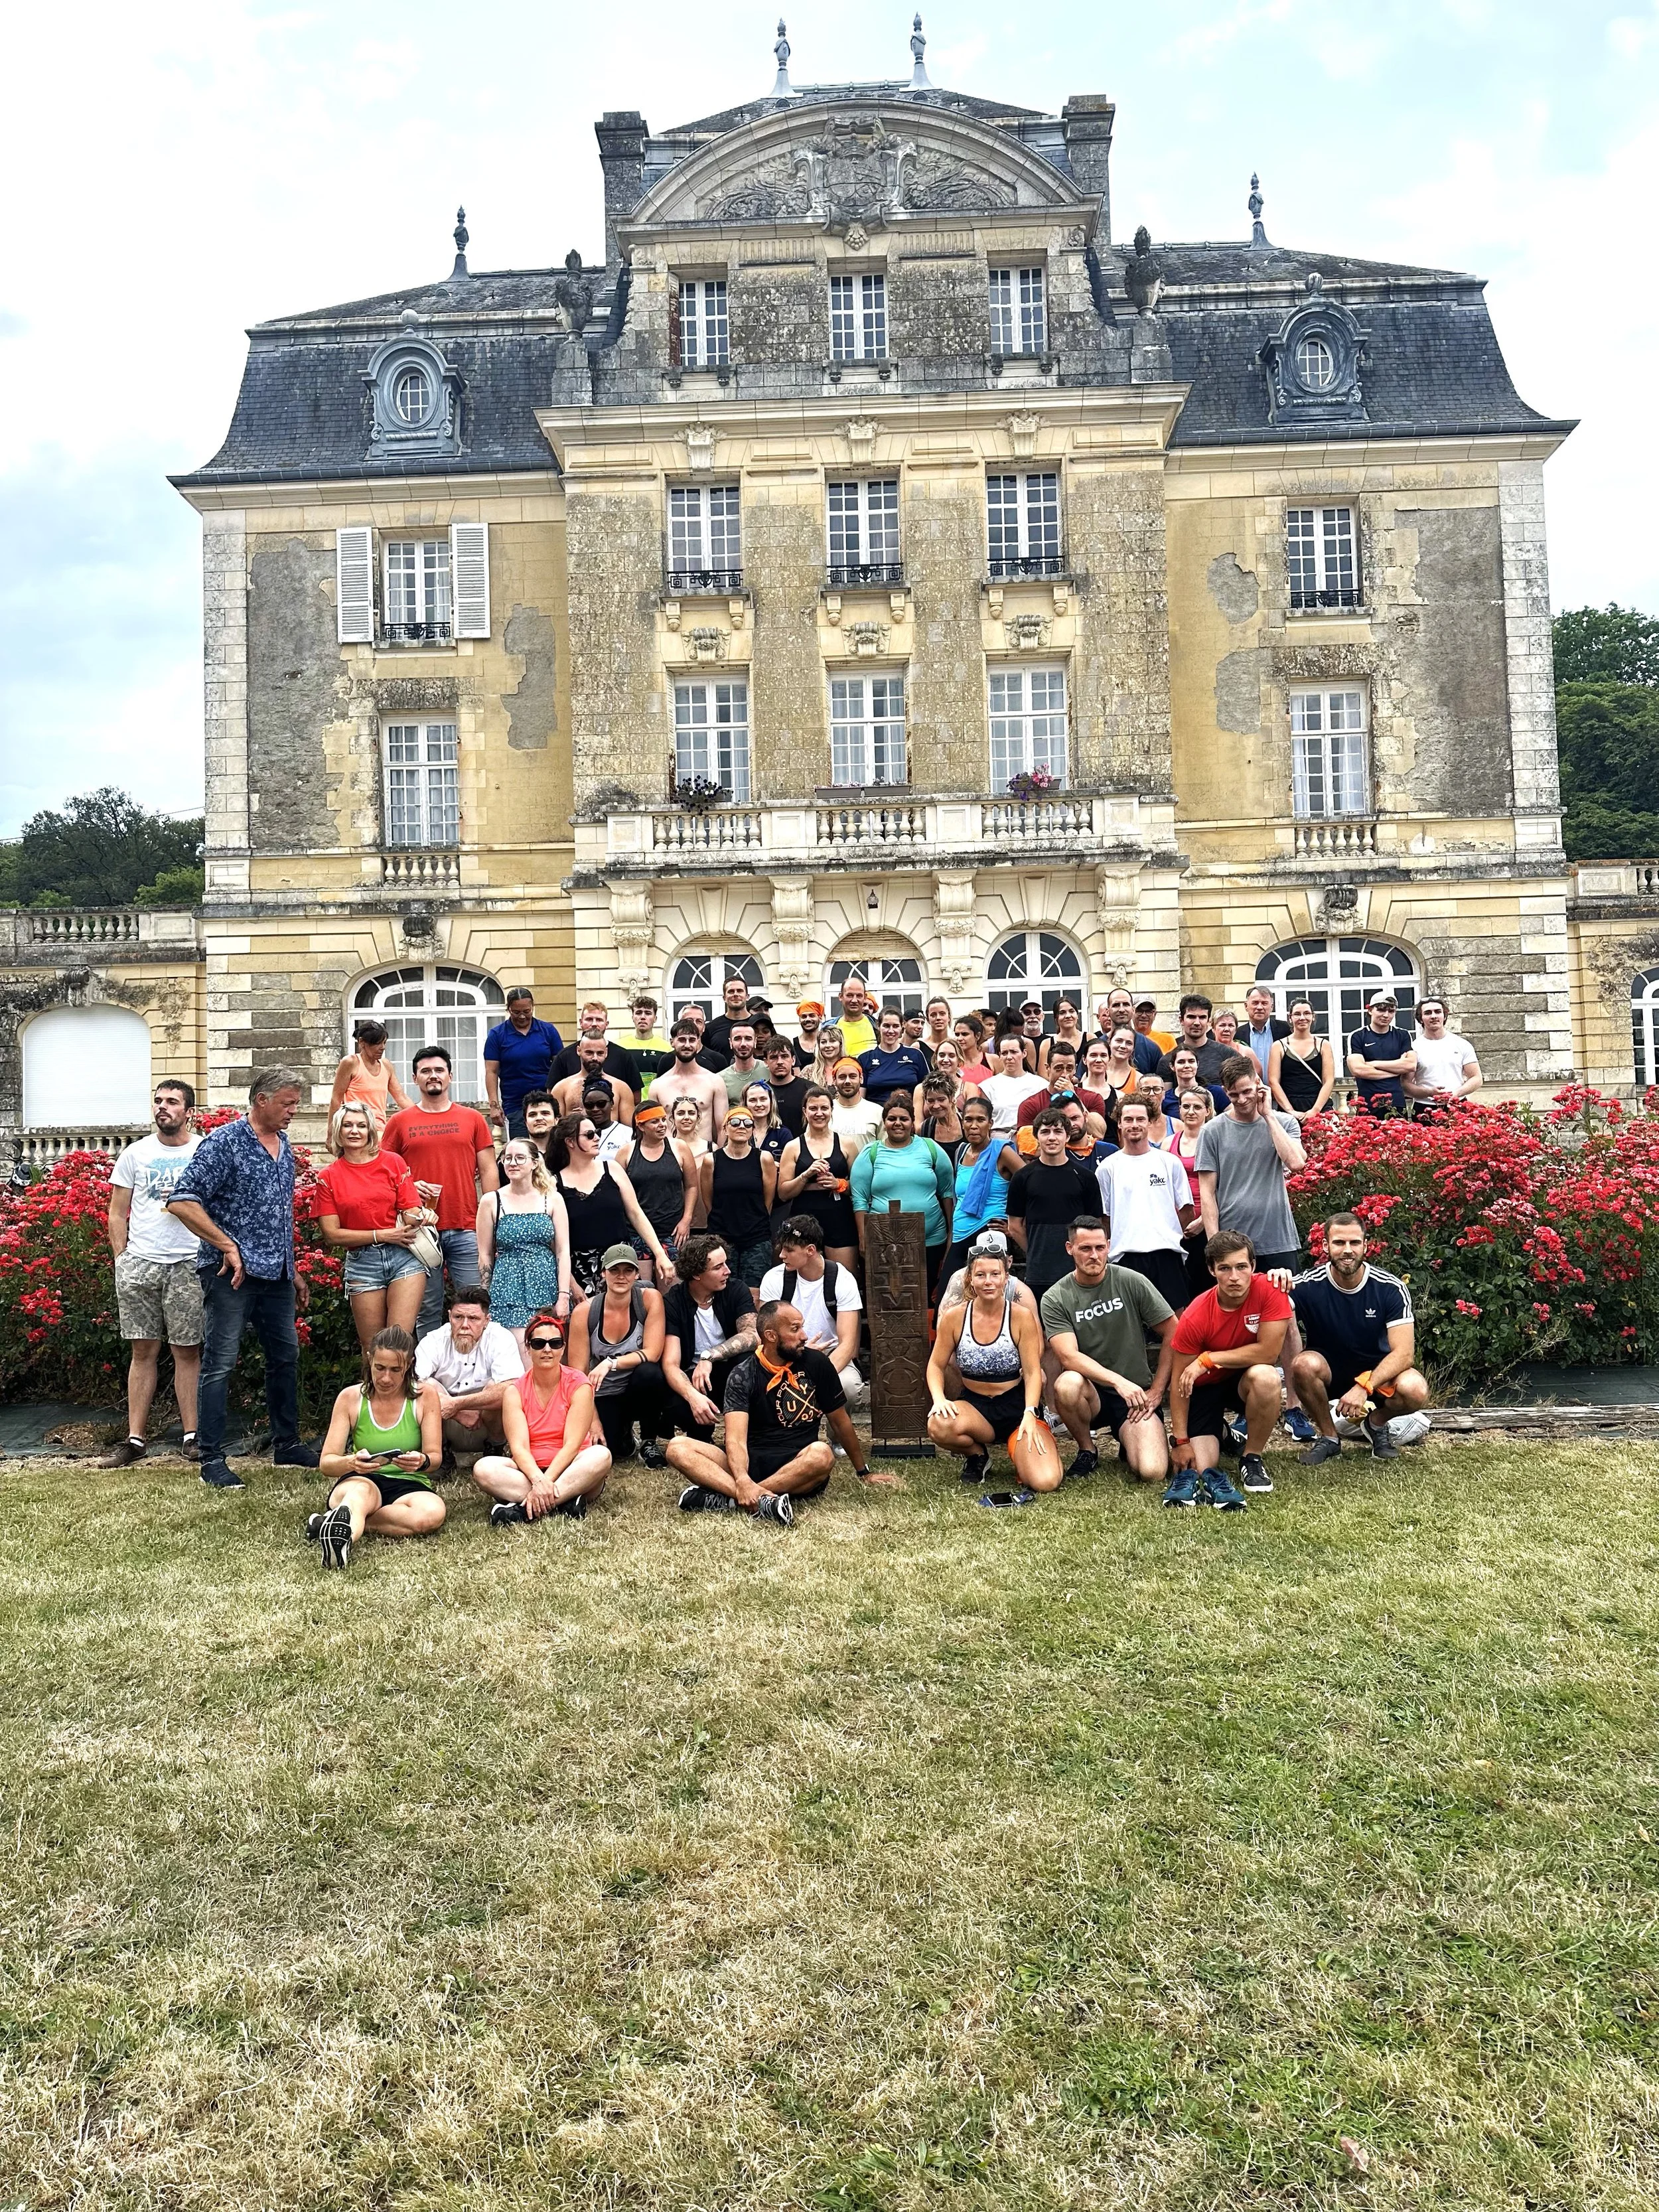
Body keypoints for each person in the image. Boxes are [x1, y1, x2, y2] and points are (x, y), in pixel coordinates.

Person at [165, 1067, 319, 1493]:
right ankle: (212, 1457)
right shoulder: (224, 1143)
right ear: (261, 1100)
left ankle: (286, 1443)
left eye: (295, 1102)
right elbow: (182, 1201)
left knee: (285, 1360)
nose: (294, 1110)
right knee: (219, 1364)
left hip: (278, 1274)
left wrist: (296, 1268)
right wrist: (226, 1245)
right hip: (229, 1275)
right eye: (287, 1103)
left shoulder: (284, 1145)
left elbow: (277, 1214)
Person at [669, 1297, 873, 1522]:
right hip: (750, 1464)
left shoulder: (817, 1363)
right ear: (771, 1336)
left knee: (823, 1454)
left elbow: (840, 1422)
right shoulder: (742, 1374)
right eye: (795, 1329)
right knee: (678, 1447)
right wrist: (742, 1478)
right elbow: (735, 1440)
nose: (804, 1336)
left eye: (802, 1327)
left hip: (799, 1466)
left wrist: (864, 1472)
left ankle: (735, 1499)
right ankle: (762, 1501)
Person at [101, 1079, 204, 1468]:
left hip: (189, 1264)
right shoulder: (135, 1154)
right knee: (142, 1351)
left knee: (187, 1352)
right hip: (140, 1264)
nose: (163, 1107)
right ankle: (135, 1440)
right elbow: (117, 1210)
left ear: (188, 1111)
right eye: (158, 1101)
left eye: (172, 1102)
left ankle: (192, 1438)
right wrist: (121, 1258)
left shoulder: (203, 1151)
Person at [1042, 1217, 1177, 1482]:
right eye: (1085, 1249)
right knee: (1067, 1384)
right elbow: (1068, 1356)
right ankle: (1087, 1450)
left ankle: (1129, 1442)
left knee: (1152, 1472)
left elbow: (1174, 1331)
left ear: (1109, 1246)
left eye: (1100, 1248)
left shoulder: (1131, 1281)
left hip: (1135, 1396)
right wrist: (1117, 1382)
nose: (1094, 1255)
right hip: (1090, 1393)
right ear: (1070, 1249)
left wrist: (1157, 1390)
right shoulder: (1056, 1297)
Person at [1289, 1214, 1429, 1463]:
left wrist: (1364, 1387)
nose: (1347, 1251)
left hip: (1377, 1376)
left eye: (1354, 1243)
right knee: (1302, 1365)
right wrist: (1275, 1278)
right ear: (1325, 1246)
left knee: (1416, 1389)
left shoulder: (1390, 1287)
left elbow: (1405, 1354)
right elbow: (1263, 1300)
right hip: (1329, 1372)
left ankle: (1376, 1425)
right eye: (1339, 1243)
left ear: (1365, 1246)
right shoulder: (1306, 1285)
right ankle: (1330, 1438)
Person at [1167, 1231, 1292, 1507]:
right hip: (1205, 1387)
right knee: (1200, 1468)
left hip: (1244, 1380)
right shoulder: (1195, 1314)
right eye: (1225, 1268)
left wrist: (1207, 1359)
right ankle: (1225, 1434)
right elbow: (1179, 1382)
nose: (1234, 1276)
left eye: (1241, 1267)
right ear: (1212, 1270)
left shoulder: (1271, 1290)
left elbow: (1269, 1352)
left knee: (1267, 1377)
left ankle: (1252, 1458)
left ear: (1253, 1267)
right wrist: (1180, 1440)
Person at [381, 1045, 500, 1335]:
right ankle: (425, 1376)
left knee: (477, 1305)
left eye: (438, 1070)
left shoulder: (472, 1118)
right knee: (426, 1309)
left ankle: (478, 1373)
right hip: (419, 1231)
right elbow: (384, 1173)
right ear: (415, 1078)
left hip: (466, 1226)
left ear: (450, 1076)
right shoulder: (399, 1122)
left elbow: (488, 1170)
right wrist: (409, 1185)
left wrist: (494, 1219)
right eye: (426, 1071)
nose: (433, 1076)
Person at [927, 1244, 1060, 1495]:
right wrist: (939, 1399)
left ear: (1006, 1278)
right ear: (970, 1278)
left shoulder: (1021, 1317)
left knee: (1046, 1481)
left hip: (1017, 1407)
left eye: (995, 1274)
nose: (988, 1281)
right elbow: (935, 1364)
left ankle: (1023, 1452)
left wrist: (1031, 1413)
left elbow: (1033, 1373)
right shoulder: (955, 1317)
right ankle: (978, 1455)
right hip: (976, 1407)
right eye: (980, 1275)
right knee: (938, 1424)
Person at [310, 1327, 445, 1568]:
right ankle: (343, 1540)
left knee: (433, 1513)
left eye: (396, 1370)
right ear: (369, 1359)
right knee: (361, 1495)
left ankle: (332, 1523)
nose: (386, 1378)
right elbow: (327, 1463)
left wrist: (422, 1461)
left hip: (409, 1483)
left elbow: (435, 1458)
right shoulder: (350, 1398)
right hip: (361, 1479)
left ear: (409, 1364)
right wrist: (351, 1462)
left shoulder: (426, 1396)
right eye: (380, 1368)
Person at [472, 1312, 611, 1523]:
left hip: (573, 1469)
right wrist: (539, 1480)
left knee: (601, 1456)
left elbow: (572, 1445)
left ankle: (523, 1509)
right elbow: (519, 1449)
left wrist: (546, 1482)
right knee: (483, 1469)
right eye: (539, 1343)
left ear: (563, 1348)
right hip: (528, 1473)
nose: (547, 1349)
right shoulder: (515, 1391)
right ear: (527, 1349)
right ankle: (564, 1501)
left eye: (555, 1343)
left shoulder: (579, 1384)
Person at [315, 1101, 432, 1351]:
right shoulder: (328, 1177)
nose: (354, 1131)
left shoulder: (393, 1163)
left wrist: (423, 1216)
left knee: (398, 1343)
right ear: (338, 1131)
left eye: (361, 1125)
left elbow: (409, 1210)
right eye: (347, 1125)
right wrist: (382, 1235)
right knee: (372, 1348)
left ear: (371, 1131)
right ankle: (371, 1391)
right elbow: (332, 1235)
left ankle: (406, 1391)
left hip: (404, 1256)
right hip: (363, 1263)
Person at [1194, 1056, 1307, 1274]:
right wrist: (1214, 1244)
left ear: (1258, 1083)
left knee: (1284, 1305)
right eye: (1234, 1095)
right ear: (1224, 1091)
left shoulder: (1284, 1122)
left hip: (1277, 1237)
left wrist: (1268, 1115)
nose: (1242, 1099)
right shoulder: (1212, 1131)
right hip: (1231, 1239)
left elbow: (1296, 1162)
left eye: (1247, 1091)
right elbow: (1207, 1194)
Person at [567, 1244, 670, 1465]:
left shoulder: (649, 1299)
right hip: (604, 1393)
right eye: (615, 1270)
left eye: (628, 1271)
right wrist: (592, 1421)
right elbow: (578, 1376)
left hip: (637, 1386)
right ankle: (624, 1436)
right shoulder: (585, 1311)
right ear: (603, 1273)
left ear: (636, 1274)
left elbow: (652, 1352)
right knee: (612, 1452)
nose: (621, 1277)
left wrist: (610, 1363)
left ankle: (649, 1441)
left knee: (650, 1373)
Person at [551, 1110, 670, 1297]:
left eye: (597, 1132)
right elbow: (556, 1242)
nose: (597, 1138)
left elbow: (636, 1213)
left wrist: (660, 1253)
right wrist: (571, 1285)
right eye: (589, 1135)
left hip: (621, 1260)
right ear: (570, 1142)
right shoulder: (554, 1184)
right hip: (580, 1267)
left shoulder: (612, 1168)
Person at [850, 1095, 956, 1297]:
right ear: (885, 1122)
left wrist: (951, 1231)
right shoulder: (871, 1153)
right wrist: (864, 1239)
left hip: (931, 1241)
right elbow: (859, 1199)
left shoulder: (931, 1149)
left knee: (924, 1298)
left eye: (904, 1119)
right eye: (892, 1119)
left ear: (912, 1121)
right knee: (889, 1302)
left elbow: (947, 1192)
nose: (898, 1123)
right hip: (884, 1244)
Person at [1096, 1099, 1195, 1313]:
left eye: (1140, 1119)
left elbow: (1187, 1210)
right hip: (1125, 1256)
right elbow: (1104, 1218)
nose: (1135, 1125)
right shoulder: (1107, 1168)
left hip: (1167, 1254)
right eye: (1128, 1119)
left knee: (1177, 1322)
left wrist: (1166, 1233)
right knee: (1128, 1324)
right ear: (1119, 1124)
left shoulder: (1169, 1162)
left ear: (1150, 1122)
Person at [759, 1214, 865, 1406]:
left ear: (810, 1250)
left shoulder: (842, 1278)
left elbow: (848, 1345)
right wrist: (797, 1353)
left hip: (831, 1353)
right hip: (787, 1352)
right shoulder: (774, 1279)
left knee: (848, 1387)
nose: (782, 1255)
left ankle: (837, 1436)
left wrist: (816, 1371)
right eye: (781, 1248)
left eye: (789, 1250)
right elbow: (767, 1337)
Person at [660, 1234, 758, 1441]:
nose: (727, 1271)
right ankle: (699, 1436)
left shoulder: (736, 1289)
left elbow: (751, 1334)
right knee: (665, 1388)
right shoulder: (674, 1301)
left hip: (726, 1372)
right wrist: (693, 1397)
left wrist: (709, 1357)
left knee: (748, 1360)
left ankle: (747, 1435)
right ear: (697, 1274)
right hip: (691, 1377)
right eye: (718, 1267)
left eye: (726, 1263)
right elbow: (670, 1364)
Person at [476, 1136, 571, 1343]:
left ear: (535, 1163)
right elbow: (485, 1253)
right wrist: (486, 1297)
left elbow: (563, 1251)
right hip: (507, 1286)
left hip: (546, 1283)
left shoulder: (552, 1199)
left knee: (549, 1348)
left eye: (520, 1158)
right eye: (508, 1158)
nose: (512, 1163)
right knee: (518, 1352)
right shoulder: (491, 1201)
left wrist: (564, 1294)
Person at [415, 1283, 524, 1461]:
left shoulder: (501, 1338)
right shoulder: (433, 1341)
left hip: (486, 1422)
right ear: (449, 1317)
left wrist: (459, 1404)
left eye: (473, 1319)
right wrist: (457, 1411)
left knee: (500, 1387)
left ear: (487, 1320)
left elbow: (513, 1387)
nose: (465, 1325)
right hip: (444, 1421)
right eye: (459, 1317)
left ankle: (495, 1449)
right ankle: (440, 1452)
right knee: (427, 1386)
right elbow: (412, 1383)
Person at [1005, 1110, 1102, 1300]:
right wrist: (1035, 1252)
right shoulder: (1022, 1177)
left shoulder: (1086, 1178)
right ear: (1036, 1136)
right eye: (1045, 1131)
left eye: (1058, 1131)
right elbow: (1014, 1226)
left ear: (1067, 1136)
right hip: (1039, 1273)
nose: (1052, 1137)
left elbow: (1095, 1226)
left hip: (1078, 1272)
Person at [776, 1086, 859, 1273]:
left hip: (839, 1217)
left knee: (845, 1276)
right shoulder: (793, 1146)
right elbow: (783, 1193)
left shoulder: (846, 1143)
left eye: (824, 1108)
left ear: (831, 1110)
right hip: (803, 1219)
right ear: (805, 1111)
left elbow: (860, 1188)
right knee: (804, 1278)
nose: (819, 1113)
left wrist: (840, 1184)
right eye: (813, 1109)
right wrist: (806, 1175)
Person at [614, 1098, 697, 1277]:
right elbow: (618, 1194)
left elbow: (691, 1186)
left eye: (662, 1120)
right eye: (654, 1122)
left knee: (672, 1287)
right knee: (643, 1288)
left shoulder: (679, 1148)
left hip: (673, 1231)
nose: (662, 1125)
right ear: (641, 1126)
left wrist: (687, 1219)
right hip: (637, 1232)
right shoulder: (626, 1152)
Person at [940, 1096, 1019, 1280]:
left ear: (990, 1123)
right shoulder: (961, 1152)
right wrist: (950, 1245)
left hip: (989, 1235)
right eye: (968, 1119)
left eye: (980, 1120)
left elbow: (1031, 1185)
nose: (974, 1125)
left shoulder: (1002, 1152)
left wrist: (1014, 1227)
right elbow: (959, 1202)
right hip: (959, 1236)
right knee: (947, 1299)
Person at [701, 1107, 778, 1286]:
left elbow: (768, 1201)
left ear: (752, 1130)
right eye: (735, 1122)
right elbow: (708, 1202)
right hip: (722, 1237)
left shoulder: (763, 1158)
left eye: (748, 1123)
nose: (741, 1127)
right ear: (725, 1128)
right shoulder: (711, 1160)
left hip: (756, 1237)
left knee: (755, 1292)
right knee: (724, 1291)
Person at [483, 989, 564, 1138]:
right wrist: (494, 1106)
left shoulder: (548, 1031)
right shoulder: (497, 1035)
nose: (522, 1016)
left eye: (527, 1011)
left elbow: (560, 1066)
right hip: (515, 1104)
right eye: (516, 1012)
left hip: (546, 1101)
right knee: (522, 1149)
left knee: (552, 1147)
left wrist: (559, 1098)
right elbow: (491, 1072)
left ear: (533, 1007)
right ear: (508, 1009)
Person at [1169, 1086, 1216, 1299]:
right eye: (1186, 1106)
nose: (1191, 1111)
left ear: (1208, 1110)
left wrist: (1203, 1222)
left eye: (1197, 1107)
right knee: (1180, 1285)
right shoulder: (1168, 1143)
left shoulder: (1216, 1140)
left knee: (1205, 1283)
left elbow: (1225, 1186)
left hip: (1207, 1223)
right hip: (1176, 1225)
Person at [327, 1018, 412, 1138]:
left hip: (380, 1130)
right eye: (377, 1043)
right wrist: (331, 1134)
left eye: (384, 1043)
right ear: (362, 1042)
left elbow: (402, 1098)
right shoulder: (351, 1062)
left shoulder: (386, 1066)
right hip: (357, 1130)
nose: (382, 1048)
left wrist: (423, 1117)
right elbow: (336, 1099)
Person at [651, 1021, 727, 1143]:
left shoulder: (714, 1082)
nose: (687, 1045)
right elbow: (653, 1129)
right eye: (682, 1040)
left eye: (692, 1040)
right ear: (672, 1042)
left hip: (705, 1156)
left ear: (698, 1042)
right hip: (670, 1156)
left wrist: (718, 1160)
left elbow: (722, 1129)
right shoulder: (658, 1085)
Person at [1406, 995, 1482, 1116]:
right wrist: (1430, 1093)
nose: (1434, 1016)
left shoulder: (1461, 1044)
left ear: (1444, 1016)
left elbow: (1477, 1078)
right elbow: (1406, 1084)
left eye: (1438, 1012)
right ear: (1421, 1019)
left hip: (1458, 1105)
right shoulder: (1413, 1048)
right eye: (1428, 1013)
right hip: (1425, 1109)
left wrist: (1456, 1094)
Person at [1346, 990, 1417, 1118]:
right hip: (1367, 1104)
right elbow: (1358, 1070)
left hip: (1397, 1103)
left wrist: (1374, 1064)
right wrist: (1396, 1069)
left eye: (1391, 1011)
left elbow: (1410, 1065)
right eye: (1381, 1010)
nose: (1386, 1015)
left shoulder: (1403, 1035)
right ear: (1370, 1010)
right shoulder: (1358, 1036)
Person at [552, 1001, 642, 1097]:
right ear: (581, 1022)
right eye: (589, 1019)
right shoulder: (564, 1056)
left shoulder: (624, 1056)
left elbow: (636, 1097)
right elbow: (553, 1097)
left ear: (606, 1024)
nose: (594, 1024)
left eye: (599, 1020)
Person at [1269, 999, 1336, 1121]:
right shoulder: (1278, 1046)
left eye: (1307, 1013)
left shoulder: (1323, 1045)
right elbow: (1274, 1081)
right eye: (1297, 1014)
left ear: (1313, 1017)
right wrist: (1290, 1111)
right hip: (1289, 1107)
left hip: (1319, 1106)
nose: (1302, 1017)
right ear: (1290, 1018)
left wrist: (1315, 1111)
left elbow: (1329, 1081)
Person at [553, 1034, 636, 1127]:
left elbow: (630, 1130)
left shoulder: (622, 1088)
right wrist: (571, 1121)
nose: (595, 1058)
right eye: (589, 1053)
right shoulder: (561, 1088)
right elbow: (555, 1129)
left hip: (611, 1140)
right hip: (573, 1138)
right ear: (579, 1051)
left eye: (600, 1053)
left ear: (606, 1053)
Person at [980, 1031, 1048, 1138]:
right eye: (1004, 1053)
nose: (1009, 1057)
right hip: (999, 1140)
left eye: (1014, 1052)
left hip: (1032, 1139)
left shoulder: (1041, 1085)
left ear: (1024, 1053)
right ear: (999, 1055)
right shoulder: (988, 1086)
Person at [858, 1008, 930, 1107]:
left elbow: (927, 1091)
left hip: (909, 1116)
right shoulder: (865, 1059)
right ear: (879, 1026)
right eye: (886, 1026)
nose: (891, 1031)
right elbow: (860, 1100)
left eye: (896, 1026)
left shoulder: (915, 1055)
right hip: (877, 1117)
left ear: (902, 1027)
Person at [1155, 996, 1230, 1089]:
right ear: (1181, 1020)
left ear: (1209, 1021)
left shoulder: (1227, 1055)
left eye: (1202, 1017)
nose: (1197, 1023)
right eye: (1192, 1017)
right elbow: (1166, 1100)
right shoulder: (1168, 1061)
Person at [830, 1058, 883, 1159]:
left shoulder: (877, 1111)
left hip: (868, 1172)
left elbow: (885, 1148)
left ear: (861, 1079)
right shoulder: (825, 1112)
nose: (847, 1081)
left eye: (853, 1076)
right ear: (834, 1081)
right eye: (842, 1077)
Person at [701, 975, 757, 1067]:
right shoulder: (711, 1028)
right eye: (731, 991)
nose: (735, 994)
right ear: (724, 998)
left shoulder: (759, 1025)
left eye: (740, 991)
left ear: (747, 997)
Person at [623, 995, 676, 1092]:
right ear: (633, 1017)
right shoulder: (620, 1047)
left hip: (657, 1105)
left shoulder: (667, 1048)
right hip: (629, 1105)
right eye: (638, 1013)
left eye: (648, 1013)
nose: (643, 1017)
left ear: (655, 1018)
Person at [762, 1033, 811, 1133]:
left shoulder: (809, 1090)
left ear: (793, 1060)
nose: (780, 1062)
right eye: (774, 1057)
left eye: (784, 1056)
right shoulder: (761, 1093)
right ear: (766, 1062)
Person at [1242, 985, 1292, 1078]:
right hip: (1249, 1091)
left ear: (1272, 1007)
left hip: (1281, 1091)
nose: (1260, 1007)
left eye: (1264, 1003)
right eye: (1255, 1003)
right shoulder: (1238, 1034)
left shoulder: (1286, 1030)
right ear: (1246, 1006)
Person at [743, 1080, 792, 1171]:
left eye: (763, 1099)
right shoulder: (739, 1132)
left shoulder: (783, 1134)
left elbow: (789, 1169)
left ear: (771, 1102)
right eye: (753, 1100)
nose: (759, 1105)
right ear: (745, 1104)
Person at [716, 1021, 766, 1107]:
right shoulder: (720, 1079)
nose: (743, 1044)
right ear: (730, 1043)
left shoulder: (769, 1070)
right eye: (737, 1039)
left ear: (755, 1042)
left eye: (748, 1039)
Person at [1170, 1045, 1228, 1118]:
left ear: (1197, 1064)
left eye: (1191, 1061)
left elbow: (1233, 1117)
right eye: (1181, 1062)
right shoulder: (1166, 1099)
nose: (1187, 1066)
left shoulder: (1216, 1092)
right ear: (1172, 1066)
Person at [1038, 998, 1087, 1078]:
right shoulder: (1046, 1044)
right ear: (1056, 1019)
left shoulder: (1089, 1038)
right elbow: (1044, 1077)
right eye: (1062, 1013)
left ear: (1077, 1016)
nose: (1068, 1016)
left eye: (1072, 1011)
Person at [831, 976, 878, 1059]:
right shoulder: (830, 1028)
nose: (854, 1000)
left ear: (865, 997)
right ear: (841, 997)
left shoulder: (877, 1027)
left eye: (859, 996)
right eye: (850, 995)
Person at [953, 1013, 995, 1088]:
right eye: (957, 1035)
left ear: (978, 1036)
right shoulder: (953, 1063)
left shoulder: (992, 1060)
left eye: (964, 1034)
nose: (959, 1038)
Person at [521, 1089, 559, 1165]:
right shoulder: (514, 1155)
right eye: (532, 1115)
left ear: (556, 1120)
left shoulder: (569, 1154)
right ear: (526, 1122)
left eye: (545, 1113)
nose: (539, 1118)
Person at [809, 1021, 847, 1092]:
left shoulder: (850, 1068)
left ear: (840, 1044)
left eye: (833, 1041)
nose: (828, 1046)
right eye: (823, 1042)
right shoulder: (809, 1071)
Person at [1133, 995, 1176, 1059]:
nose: (1144, 1016)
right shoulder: (1125, 1040)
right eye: (1139, 1011)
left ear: (1155, 1015)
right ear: (1132, 1013)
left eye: (1149, 1012)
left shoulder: (1168, 1040)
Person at [920, 996, 954, 1065]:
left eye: (942, 1014)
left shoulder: (957, 1045)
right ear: (928, 1019)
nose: (938, 1018)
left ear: (949, 1017)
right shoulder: (918, 1047)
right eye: (933, 1015)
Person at [794, 999, 826, 1069]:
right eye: (804, 1017)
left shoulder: (827, 1043)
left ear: (820, 1018)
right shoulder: (793, 1044)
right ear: (800, 1020)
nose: (808, 1019)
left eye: (812, 1016)